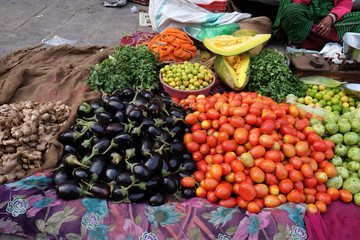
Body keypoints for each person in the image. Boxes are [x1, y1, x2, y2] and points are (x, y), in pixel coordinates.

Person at [272, 0, 360, 49]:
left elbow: (345, 4)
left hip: (330, 17)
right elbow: (297, 3)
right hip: (306, 17)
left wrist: (331, 17)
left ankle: (327, 44)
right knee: (293, 11)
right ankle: (295, 42)